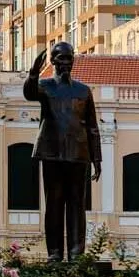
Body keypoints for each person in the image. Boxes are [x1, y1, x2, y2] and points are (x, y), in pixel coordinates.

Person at [24, 42, 101, 262]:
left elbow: (92, 127)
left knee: (77, 204)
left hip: (78, 154)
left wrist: (97, 158)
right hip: (52, 153)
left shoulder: (83, 90)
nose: (66, 63)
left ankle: (76, 253)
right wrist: (33, 72)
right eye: (61, 59)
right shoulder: (45, 86)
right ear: (53, 61)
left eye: (69, 59)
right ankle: (55, 253)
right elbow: (29, 93)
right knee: (54, 204)